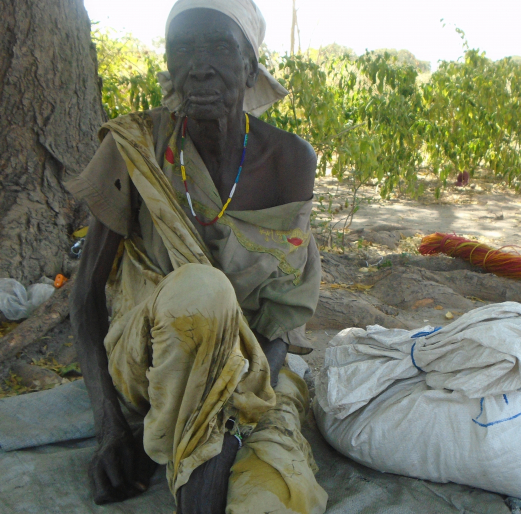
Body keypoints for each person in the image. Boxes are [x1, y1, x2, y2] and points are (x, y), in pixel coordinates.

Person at [65, 1, 328, 513]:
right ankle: (193, 474)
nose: (199, 65)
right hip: (151, 359)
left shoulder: (289, 160)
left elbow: (275, 327)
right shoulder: (138, 146)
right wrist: (109, 429)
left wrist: (233, 420)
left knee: (273, 501)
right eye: (182, 48)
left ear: (250, 66)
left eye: (218, 47)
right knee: (205, 291)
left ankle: (197, 455)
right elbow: (84, 299)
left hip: (254, 370)